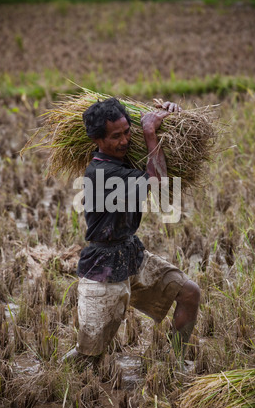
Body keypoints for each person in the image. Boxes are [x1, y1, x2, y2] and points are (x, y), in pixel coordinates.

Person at [62, 97, 200, 367]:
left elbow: (156, 160)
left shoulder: (124, 161)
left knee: (190, 294)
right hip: (104, 267)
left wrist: (168, 117)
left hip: (131, 252)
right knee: (87, 356)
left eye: (128, 132)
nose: (125, 140)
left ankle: (172, 365)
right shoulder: (102, 172)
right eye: (116, 136)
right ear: (97, 140)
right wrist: (149, 132)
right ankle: (57, 380)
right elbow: (158, 182)